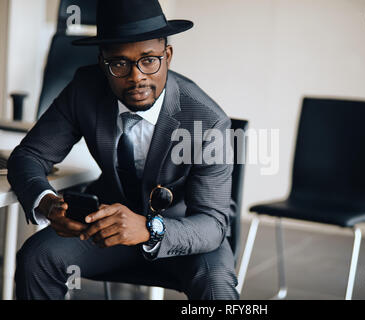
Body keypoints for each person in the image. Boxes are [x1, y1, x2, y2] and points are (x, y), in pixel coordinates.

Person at [7, 0, 239, 300]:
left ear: (167, 55)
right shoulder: (85, 89)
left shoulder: (207, 120)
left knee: (217, 284)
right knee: (37, 257)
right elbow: (29, 156)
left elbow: (213, 223)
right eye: (119, 63)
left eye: (149, 60)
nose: (136, 76)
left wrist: (150, 228)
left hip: (183, 231)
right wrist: (48, 203)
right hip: (106, 226)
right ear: (103, 62)